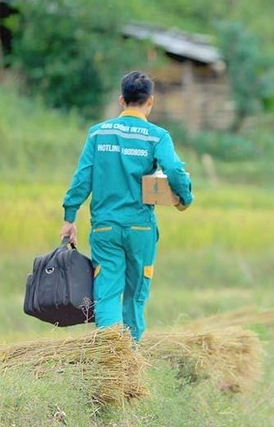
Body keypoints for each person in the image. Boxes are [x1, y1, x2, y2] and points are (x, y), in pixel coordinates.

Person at [59, 71, 193, 342]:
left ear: (122, 100)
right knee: (135, 294)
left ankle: (110, 357)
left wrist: (69, 216)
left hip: (105, 228)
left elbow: (82, 178)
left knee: (106, 291)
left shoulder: (98, 133)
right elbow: (175, 170)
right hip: (140, 228)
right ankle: (130, 358)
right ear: (150, 102)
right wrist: (185, 198)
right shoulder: (157, 136)